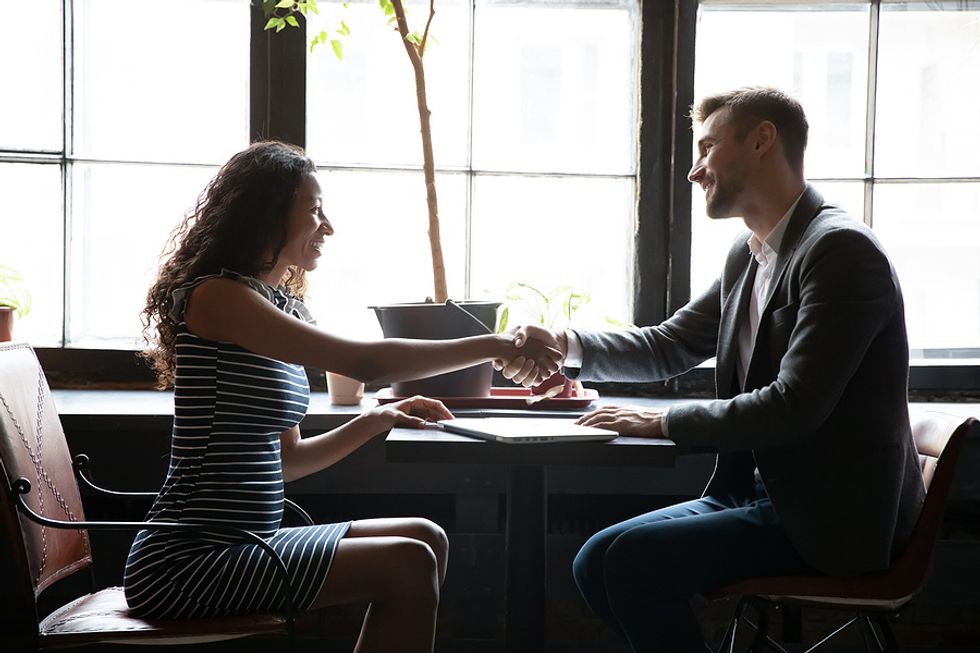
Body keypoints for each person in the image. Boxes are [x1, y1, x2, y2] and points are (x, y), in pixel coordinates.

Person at [500, 87, 925, 652]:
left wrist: (664, 422)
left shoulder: (841, 251)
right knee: (594, 561)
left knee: (630, 564)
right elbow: (670, 345)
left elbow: (795, 406)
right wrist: (562, 341)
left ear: (761, 141)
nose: (693, 172)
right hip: (755, 496)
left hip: (829, 522)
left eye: (706, 148)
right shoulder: (751, 254)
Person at [123, 140, 561, 653]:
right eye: (313, 210)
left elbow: (287, 461)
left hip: (246, 544)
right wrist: (495, 343)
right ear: (267, 217)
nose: (327, 226)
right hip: (187, 561)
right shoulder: (217, 296)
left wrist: (380, 418)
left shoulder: (274, 305)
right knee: (408, 563)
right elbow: (366, 362)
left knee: (426, 537)